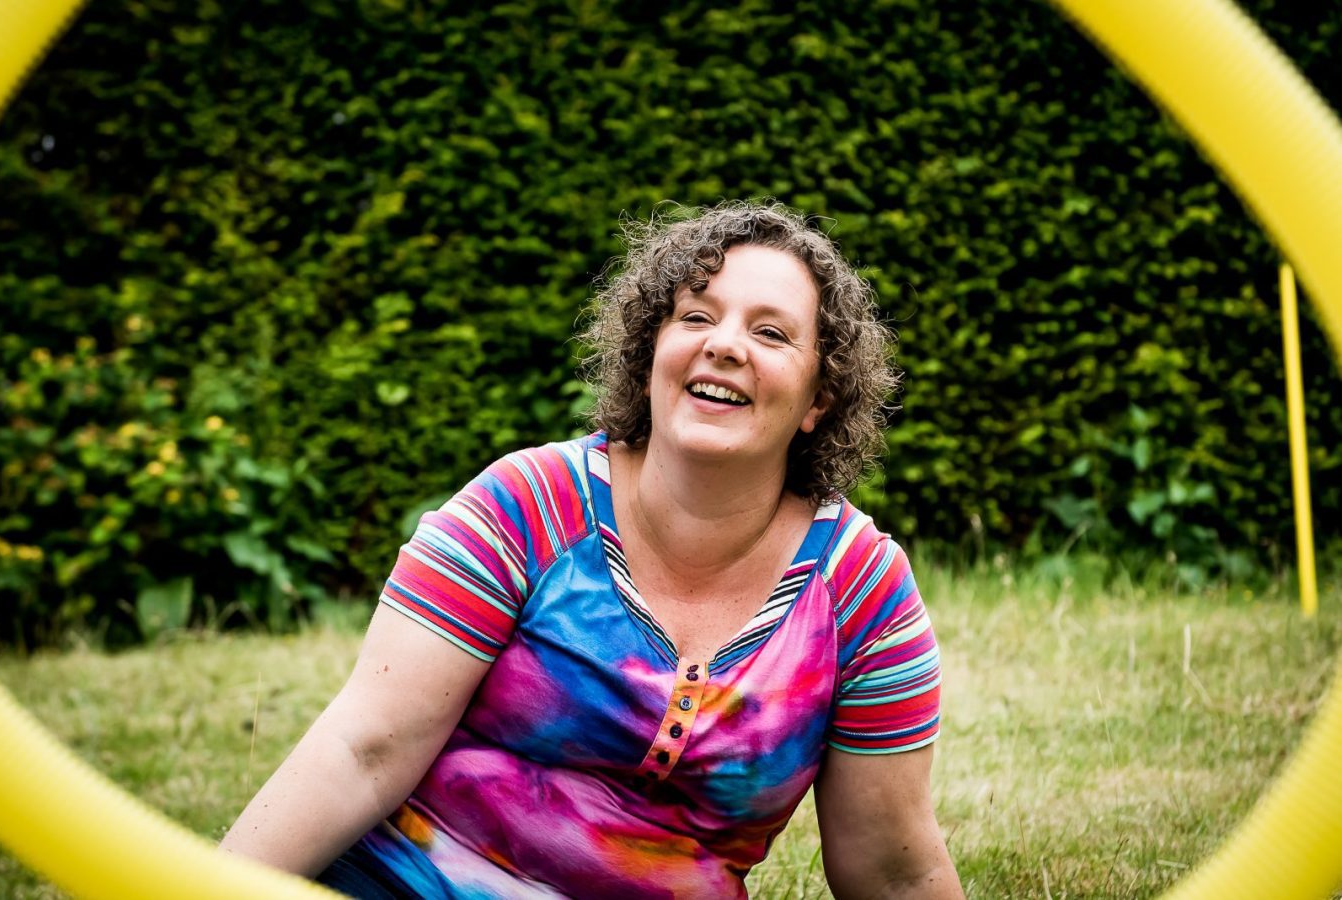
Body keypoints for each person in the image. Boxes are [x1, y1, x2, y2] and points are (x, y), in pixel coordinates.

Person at [220, 200, 963, 899]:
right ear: (651, 357)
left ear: (819, 400)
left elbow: (893, 872)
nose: (724, 344)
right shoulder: (526, 507)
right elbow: (363, 751)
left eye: (771, 333)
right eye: (695, 316)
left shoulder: (861, 591)